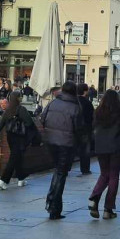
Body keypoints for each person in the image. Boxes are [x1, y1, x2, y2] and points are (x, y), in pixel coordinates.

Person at [38, 81, 81, 219]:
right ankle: (53, 206)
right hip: (66, 144)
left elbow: (42, 119)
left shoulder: (53, 103)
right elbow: (79, 128)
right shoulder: (75, 107)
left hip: (51, 142)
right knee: (61, 173)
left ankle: (54, 205)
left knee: (58, 171)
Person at [89, 89, 120, 218]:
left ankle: (94, 198)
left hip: (101, 146)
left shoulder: (98, 112)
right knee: (113, 176)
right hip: (116, 146)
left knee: (104, 174)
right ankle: (108, 208)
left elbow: (93, 127)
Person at [0, 91, 37, 189]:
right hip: (20, 137)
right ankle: (3, 180)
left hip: (10, 137)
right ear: (17, 98)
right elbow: (29, 123)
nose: (21, 98)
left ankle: (21, 179)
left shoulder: (8, 110)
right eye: (20, 97)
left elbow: (0, 125)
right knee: (14, 158)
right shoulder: (21, 109)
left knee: (17, 157)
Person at [76, 82, 94, 175]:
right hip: (85, 128)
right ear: (85, 91)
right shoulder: (87, 103)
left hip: (74, 128)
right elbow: (92, 117)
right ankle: (85, 169)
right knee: (85, 150)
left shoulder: (74, 101)